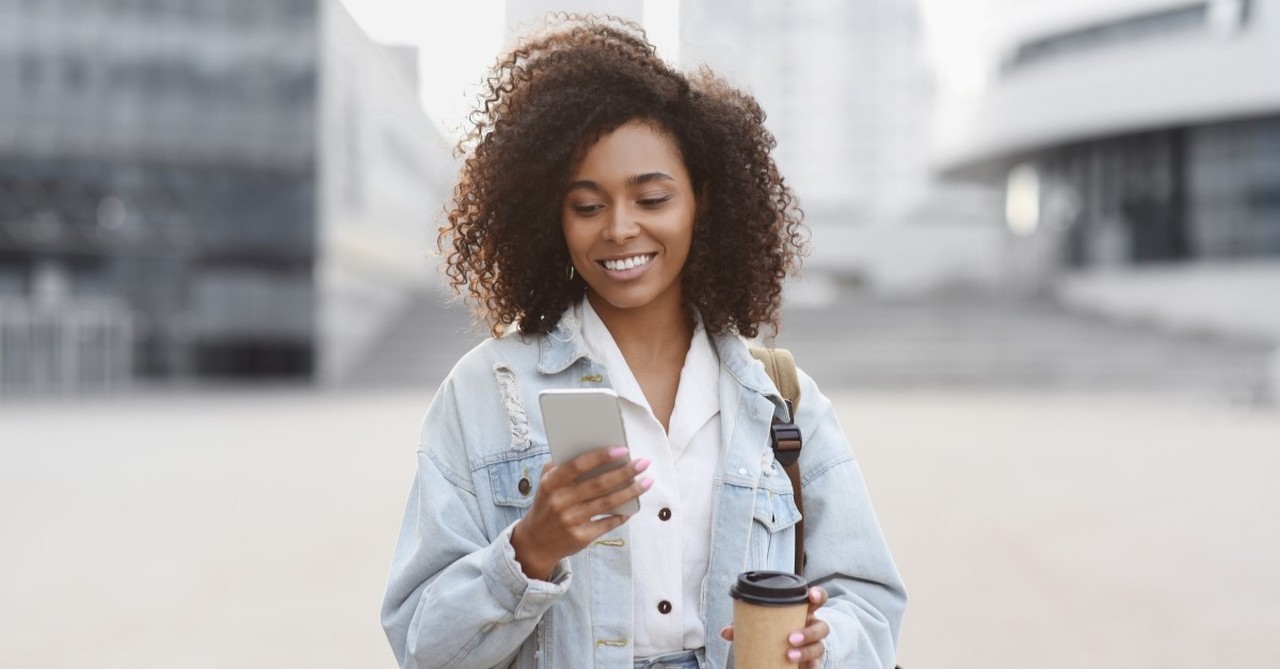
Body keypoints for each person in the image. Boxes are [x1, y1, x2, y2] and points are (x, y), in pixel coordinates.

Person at [381, 14, 906, 669]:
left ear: (702, 201)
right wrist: (529, 550)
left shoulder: (780, 401)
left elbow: (871, 603)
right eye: (587, 205)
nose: (620, 228)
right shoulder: (488, 392)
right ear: (554, 217)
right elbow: (421, 645)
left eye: (652, 197)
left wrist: (821, 648)